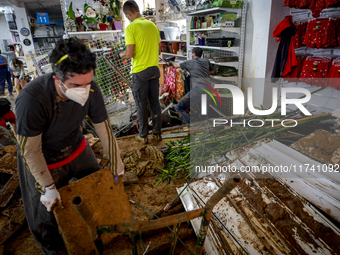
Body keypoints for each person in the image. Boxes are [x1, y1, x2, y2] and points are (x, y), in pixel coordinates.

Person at [15, 38, 125, 255]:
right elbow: (30, 150)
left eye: (88, 83)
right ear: (57, 79)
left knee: (97, 192)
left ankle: (95, 239)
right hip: (40, 157)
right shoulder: (32, 99)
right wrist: (47, 187)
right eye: (76, 86)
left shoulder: (91, 90)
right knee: (45, 220)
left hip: (75, 146)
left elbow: (103, 128)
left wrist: (117, 163)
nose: (84, 91)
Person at [114, 0, 162, 144]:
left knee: (141, 104)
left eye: (127, 16)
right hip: (154, 69)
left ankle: (143, 135)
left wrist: (119, 55)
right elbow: (159, 51)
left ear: (128, 13)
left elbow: (129, 53)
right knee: (155, 103)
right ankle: (157, 134)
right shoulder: (153, 25)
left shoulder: (131, 28)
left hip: (140, 72)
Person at [169, 47, 215, 124]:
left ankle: (188, 127)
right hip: (208, 90)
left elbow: (177, 65)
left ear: (193, 54)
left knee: (179, 107)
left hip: (198, 89)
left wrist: (171, 62)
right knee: (204, 114)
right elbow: (212, 72)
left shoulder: (190, 62)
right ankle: (204, 131)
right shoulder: (206, 61)